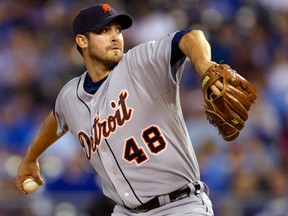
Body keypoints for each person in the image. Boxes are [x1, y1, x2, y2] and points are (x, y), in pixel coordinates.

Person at [16, 3, 223, 216]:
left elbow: (191, 37)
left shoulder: (140, 63)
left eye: (117, 30)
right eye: (104, 31)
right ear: (82, 41)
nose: (115, 36)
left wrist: (204, 65)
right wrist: (31, 158)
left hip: (180, 206)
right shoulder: (70, 96)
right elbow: (57, 119)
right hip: (126, 212)